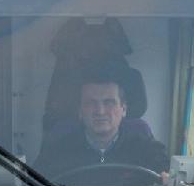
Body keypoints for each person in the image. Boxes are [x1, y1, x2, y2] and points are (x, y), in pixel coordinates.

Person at [34, 68, 169, 178]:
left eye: (109, 102)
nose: (100, 111)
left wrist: (167, 177)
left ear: (124, 109)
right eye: (91, 103)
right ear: (80, 111)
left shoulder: (144, 145)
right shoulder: (58, 149)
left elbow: (169, 174)